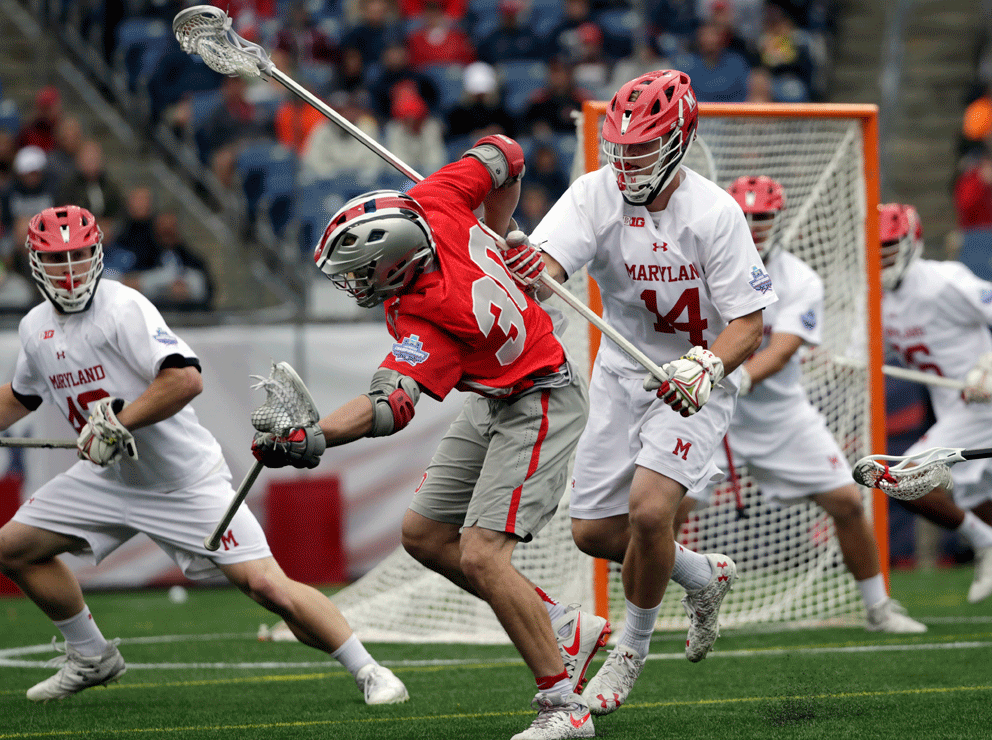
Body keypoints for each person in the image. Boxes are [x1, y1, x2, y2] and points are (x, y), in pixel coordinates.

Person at [252, 134, 610, 739]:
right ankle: (562, 625)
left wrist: (312, 438)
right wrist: (499, 226)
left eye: (360, 272)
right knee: (424, 536)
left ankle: (564, 707)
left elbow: (390, 405)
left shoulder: (427, 313)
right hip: (496, 393)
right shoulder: (434, 197)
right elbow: (504, 153)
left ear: (393, 260)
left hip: (541, 393)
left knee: (480, 554)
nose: (355, 284)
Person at [0, 205, 408, 705]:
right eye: (57, 259)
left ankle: (369, 670)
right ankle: (91, 655)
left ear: (98, 252)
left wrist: (117, 421)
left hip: (183, 482)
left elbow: (185, 378)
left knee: (268, 588)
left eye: (80, 256)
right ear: (35, 263)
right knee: (12, 548)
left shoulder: (122, 308)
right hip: (109, 480)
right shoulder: (35, 326)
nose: (70, 271)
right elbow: (21, 397)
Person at [505, 70, 778, 717]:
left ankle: (630, 651)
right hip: (623, 374)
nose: (626, 164)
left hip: (695, 378)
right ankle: (699, 574)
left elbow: (750, 323)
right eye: (619, 149)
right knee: (596, 532)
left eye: (642, 149)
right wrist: (531, 272)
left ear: (679, 141)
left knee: (651, 515)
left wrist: (707, 367)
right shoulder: (594, 194)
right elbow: (548, 268)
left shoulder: (714, 212)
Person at [673, 175, 926, 633]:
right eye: (745, 216)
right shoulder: (695, 266)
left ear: (779, 219)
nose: (753, 226)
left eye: (762, 217)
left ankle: (877, 607)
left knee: (847, 503)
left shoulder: (799, 278)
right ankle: (647, 617)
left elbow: (783, 346)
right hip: (707, 412)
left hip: (778, 415)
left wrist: (738, 375)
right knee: (662, 511)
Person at [876, 201, 992, 603]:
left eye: (888, 246)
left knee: (903, 478)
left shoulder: (944, 280)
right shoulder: (880, 300)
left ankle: (984, 543)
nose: (882, 255)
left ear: (912, 242)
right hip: (955, 411)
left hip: (981, 407)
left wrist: (989, 364)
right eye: (875, 247)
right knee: (979, 500)